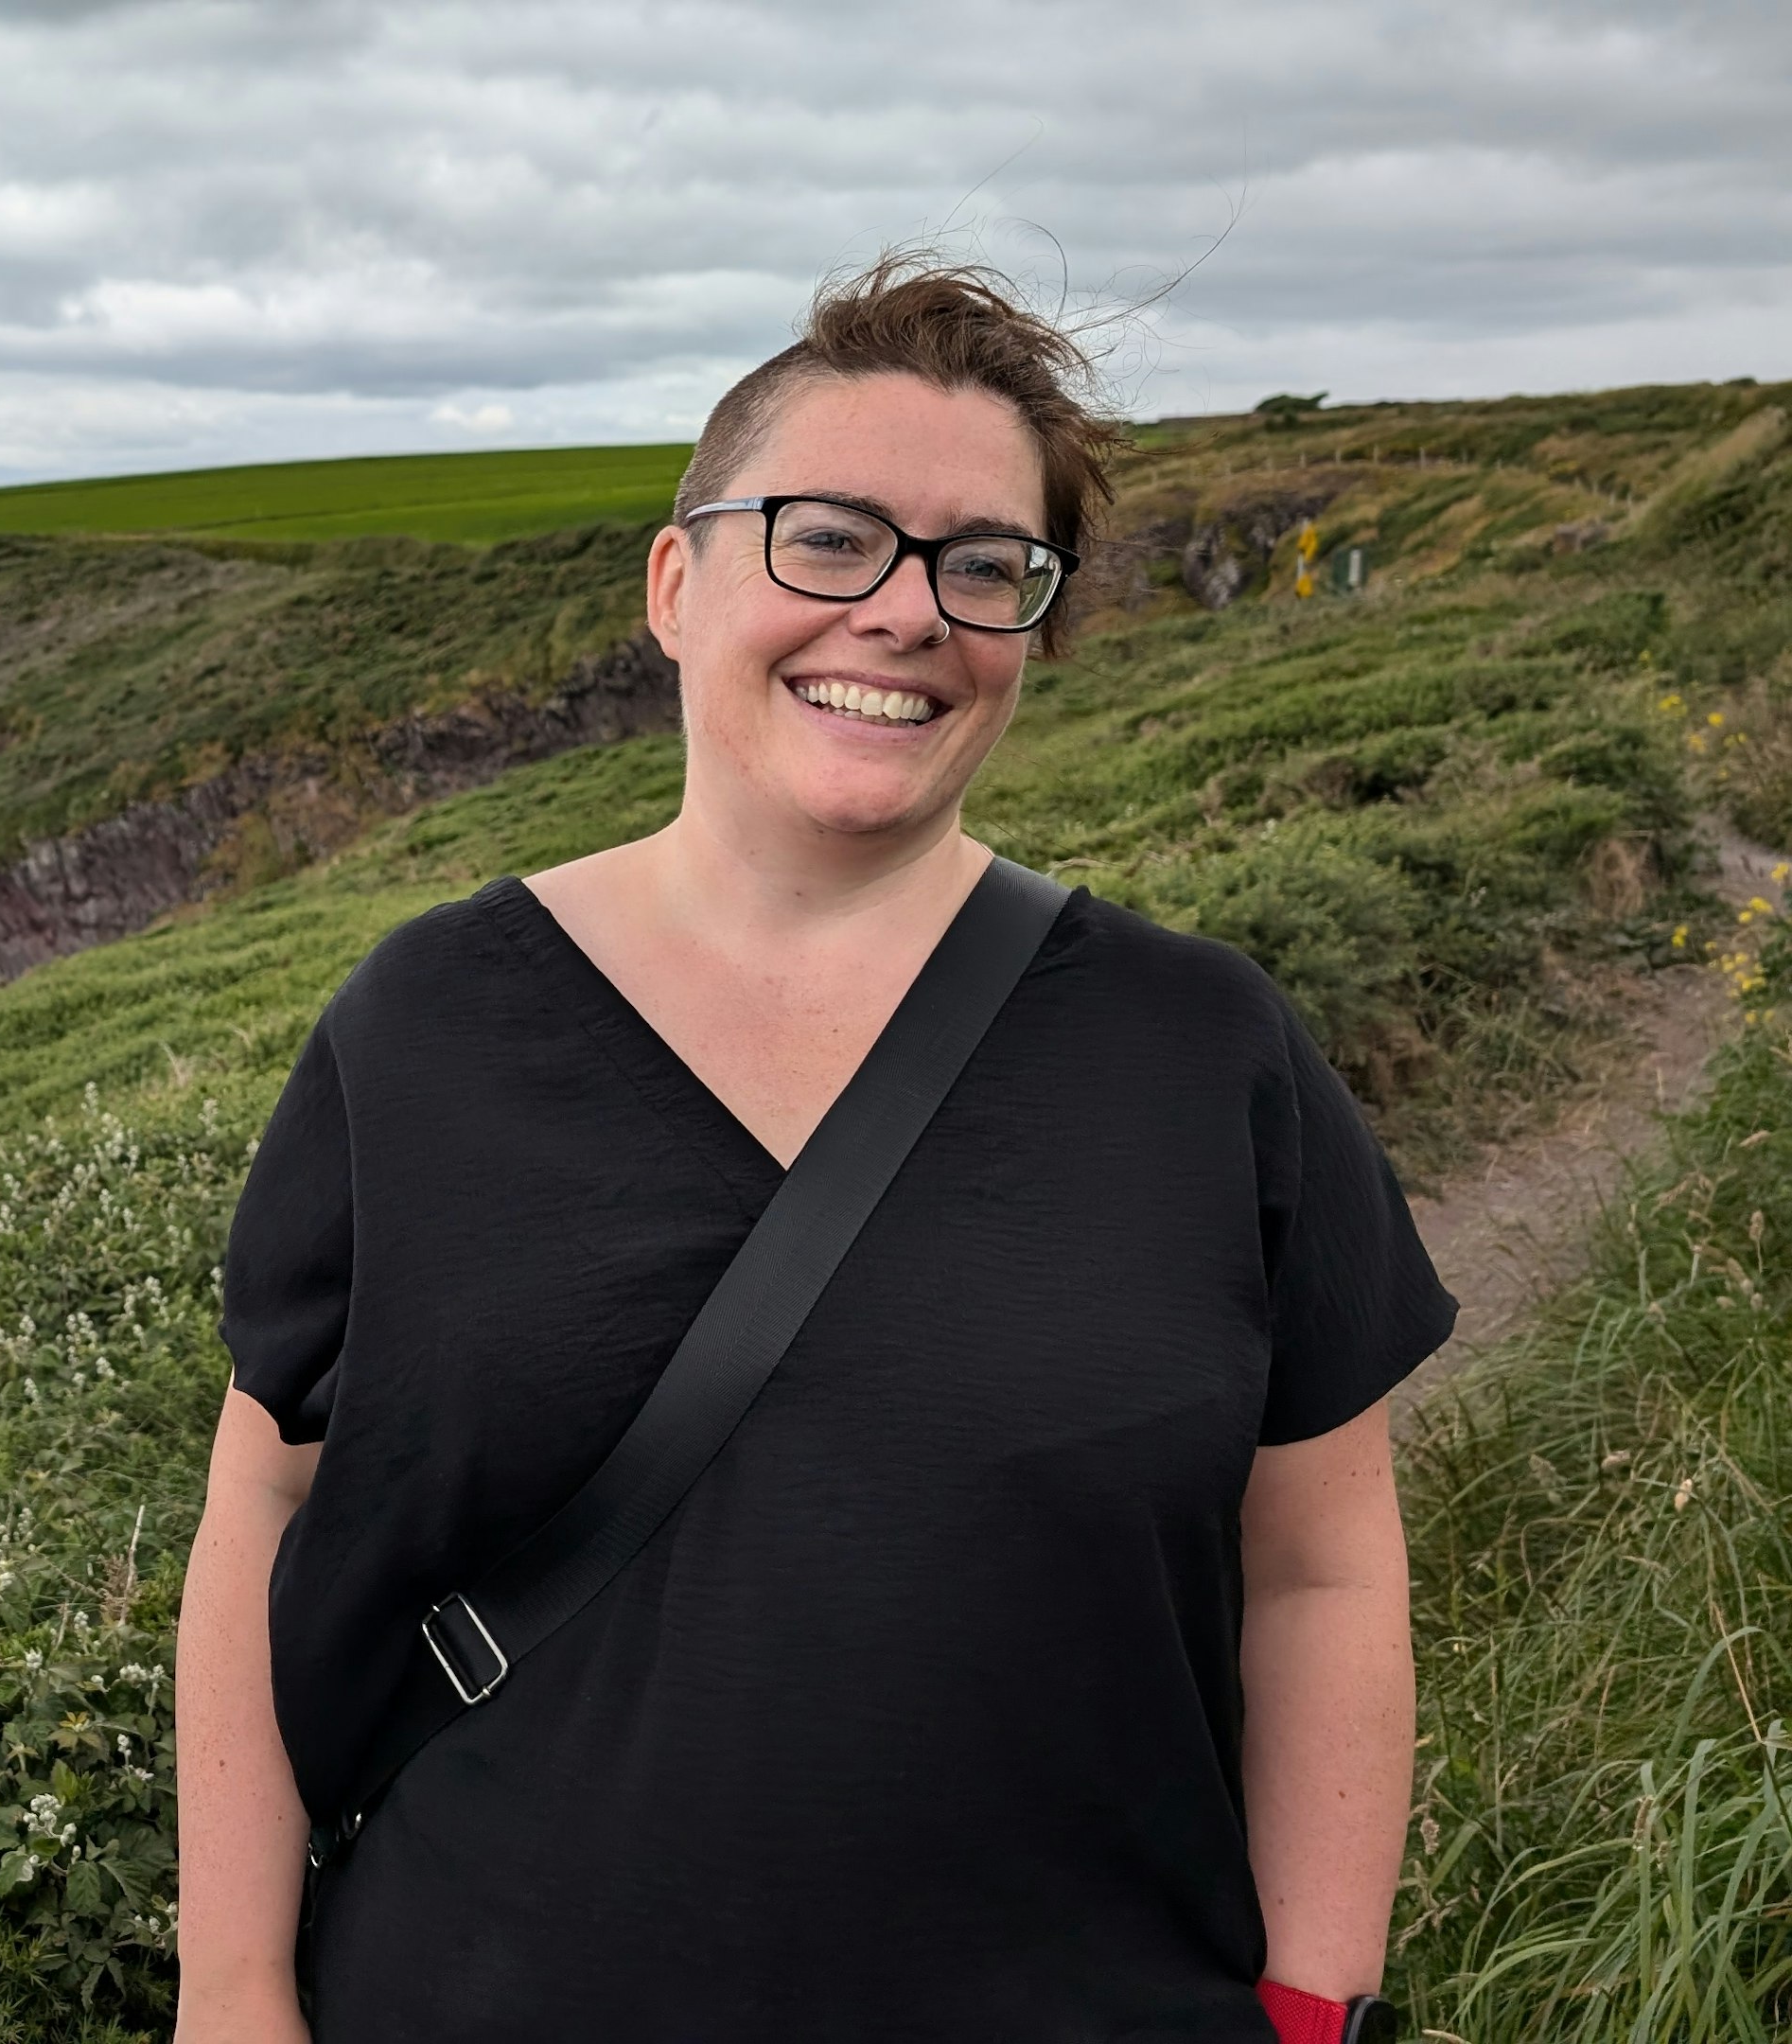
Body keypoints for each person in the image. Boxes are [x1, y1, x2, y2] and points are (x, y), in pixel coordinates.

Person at [171, 257, 1449, 2042]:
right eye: (829, 537)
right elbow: (269, 1499)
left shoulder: (1204, 1047)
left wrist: (1315, 2012)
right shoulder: (427, 1026)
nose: (907, 612)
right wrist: (230, 1994)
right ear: (678, 585)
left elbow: (1322, 1565)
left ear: (1031, 629)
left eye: (983, 565)